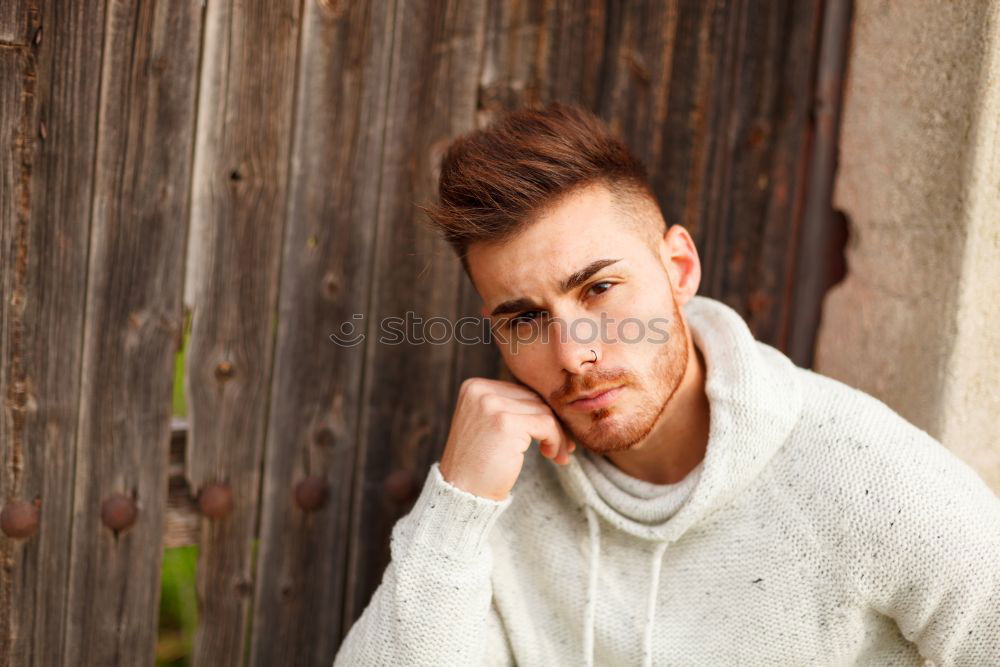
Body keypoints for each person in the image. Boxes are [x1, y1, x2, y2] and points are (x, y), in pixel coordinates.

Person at [333, 102, 1000, 666]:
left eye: (598, 289)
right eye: (526, 319)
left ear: (679, 267)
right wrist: (459, 507)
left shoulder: (864, 475)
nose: (574, 354)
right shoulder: (492, 496)